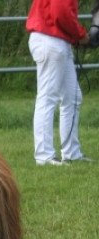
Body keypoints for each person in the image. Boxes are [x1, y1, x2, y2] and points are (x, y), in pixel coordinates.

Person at [26, 0, 91, 166]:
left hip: (56, 39)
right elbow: (61, 11)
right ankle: (44, 156)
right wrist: (81, 34)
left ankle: (71, 152)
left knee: (72, 96)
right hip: (51, 39)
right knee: (48, 98)